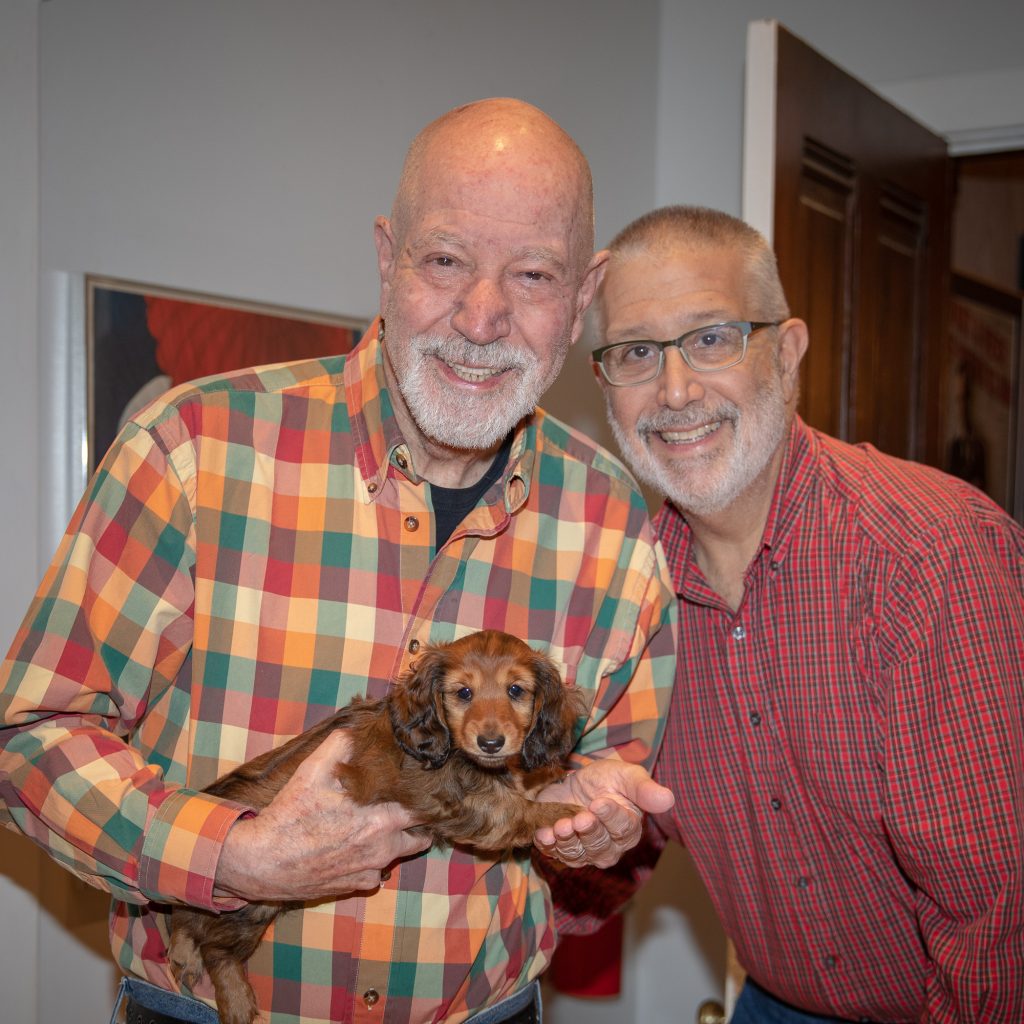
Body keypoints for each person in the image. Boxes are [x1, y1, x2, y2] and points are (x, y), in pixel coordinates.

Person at [0, 99, 677, 1024]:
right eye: (445, 260)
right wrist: (230, 855)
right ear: (387, 257)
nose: (483, 317)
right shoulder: (191, 447)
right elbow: (30, 740)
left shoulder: (615, 518)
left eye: (532, 273)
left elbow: (611, 834)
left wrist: (599, 839)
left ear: (584, 295)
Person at [586, 204, 1024, 1023]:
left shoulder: (930, 557)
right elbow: (606, 878)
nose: (675, 390)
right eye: (638, 353)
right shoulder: (629, 596)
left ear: (785, 354)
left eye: (712, 338)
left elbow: (1002, 915)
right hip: (774, 1003)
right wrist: (579, 833)